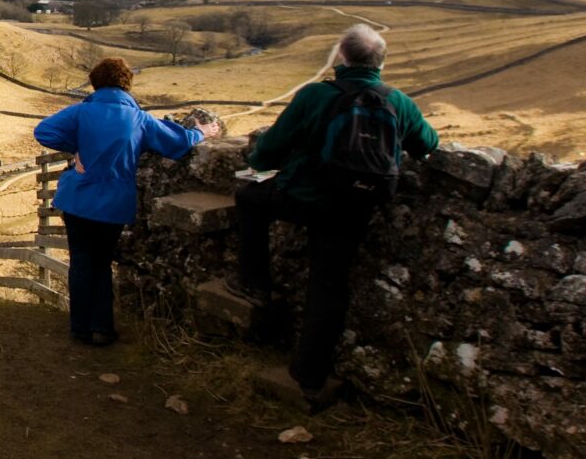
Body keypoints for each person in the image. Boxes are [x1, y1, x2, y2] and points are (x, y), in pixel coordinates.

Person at [234, 22, 438, 408]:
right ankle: (308, 376)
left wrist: (257, 162)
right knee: (328, 287)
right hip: (356, 207)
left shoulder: (316, 95)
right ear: (380, 62)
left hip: (304, 196)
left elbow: (271, 149)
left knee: (248, 198)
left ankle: (254, 282)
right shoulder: (399, 101)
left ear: (342, 58)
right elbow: (428, 144)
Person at [34, 58, 215, 346]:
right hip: (113, 205)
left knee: (81, 262)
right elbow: (177, 143)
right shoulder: (139, 119)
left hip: (78, 200)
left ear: (95, 83)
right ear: (126, 84)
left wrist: (75, 149)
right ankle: (102, 329)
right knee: (102, 263)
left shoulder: (82, 112)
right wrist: (201, 132)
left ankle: (79, 329)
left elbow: (43, 131)